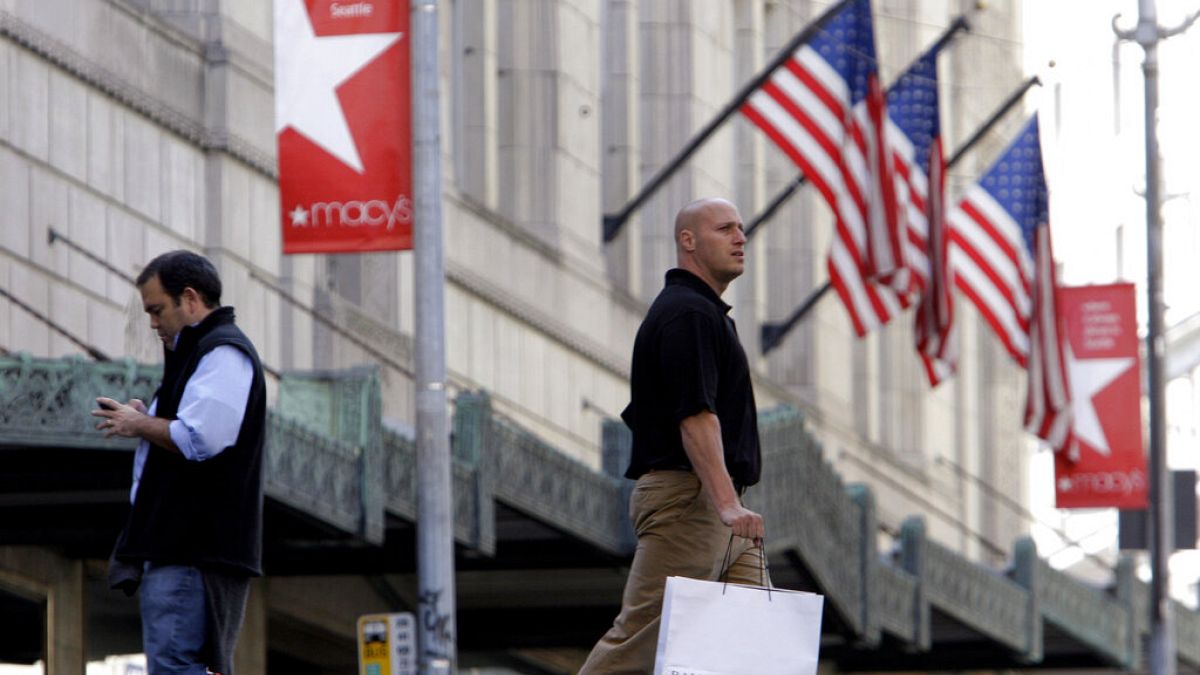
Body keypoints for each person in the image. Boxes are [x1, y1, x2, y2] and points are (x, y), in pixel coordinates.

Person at [580, 197, 766, 673]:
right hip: (693, 501)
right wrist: (726, 503)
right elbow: (696, 418)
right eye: (725, 229)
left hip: (717, 511)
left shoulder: (704, 314)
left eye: (741, 228)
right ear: (688, 241)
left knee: (756, 653)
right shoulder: (689, 314)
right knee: (637, 646)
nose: (740, 239)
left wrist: (728, 506)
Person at [94, 250, 266, 675]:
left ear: (189, 299)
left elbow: (197, 437)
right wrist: (146, 420)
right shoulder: (198, 354)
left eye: (157, 309)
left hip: (191, 551)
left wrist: (140, 423)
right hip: (182, 549)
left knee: (173, 665)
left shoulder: (223, 352)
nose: (152, 323)